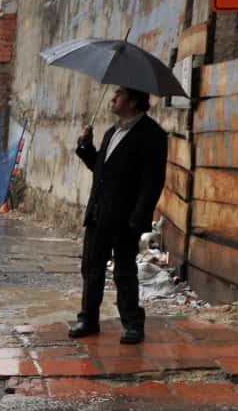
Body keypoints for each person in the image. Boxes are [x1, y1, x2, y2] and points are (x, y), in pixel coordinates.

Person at [70, 86, 167, 344]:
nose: (113, 98)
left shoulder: (152, 135)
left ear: (134, 101)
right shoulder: (112, 132)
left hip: (126, 219)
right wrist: (86, 148)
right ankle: (88, 319)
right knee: (91, 268)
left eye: (119, 94)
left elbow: (153, 182)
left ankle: (133, 324)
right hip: (99, 214)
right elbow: (102, 171)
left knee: (124, 272)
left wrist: (139, 218)